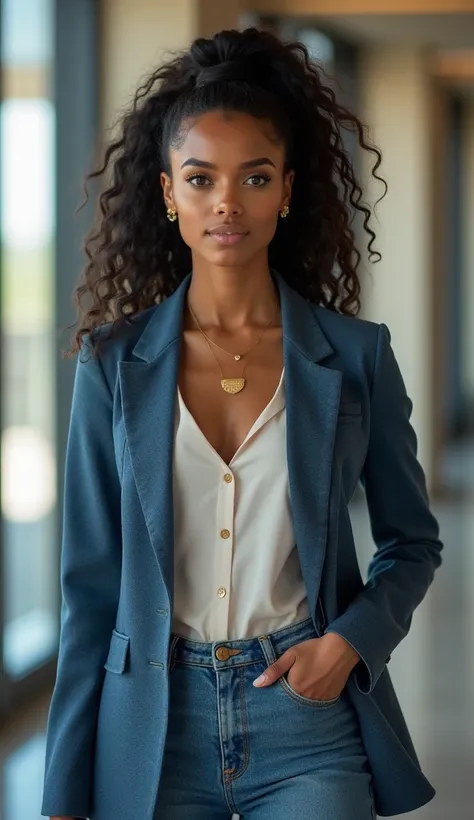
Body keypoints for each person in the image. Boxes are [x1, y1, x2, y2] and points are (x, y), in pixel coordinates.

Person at [41, 26, 443, 820]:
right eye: (201, 179)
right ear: (167, 194)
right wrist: (63, 791)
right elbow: (88, 591)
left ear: (287, 190)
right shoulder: (112, 366)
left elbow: (413, 542)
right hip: (152, 730)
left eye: (253, 177)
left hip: (306, 716)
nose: (227, 202)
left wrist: (350, 644)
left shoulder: (356, 357)